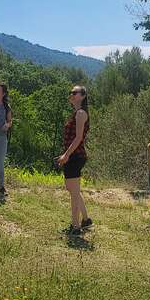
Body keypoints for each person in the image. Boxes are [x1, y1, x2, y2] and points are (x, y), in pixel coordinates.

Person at [57, 85, 92, 235]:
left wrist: (66, 155)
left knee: (73, 191)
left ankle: (76, 226)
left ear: (82, 96)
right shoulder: (77, 113)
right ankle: (85, 220)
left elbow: (78, 138)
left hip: (75, 156)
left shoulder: (81, 113)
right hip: (75, 155)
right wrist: (66, 154)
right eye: (70, 92)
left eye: (74, 92)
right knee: (73, 190)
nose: (71, 94)